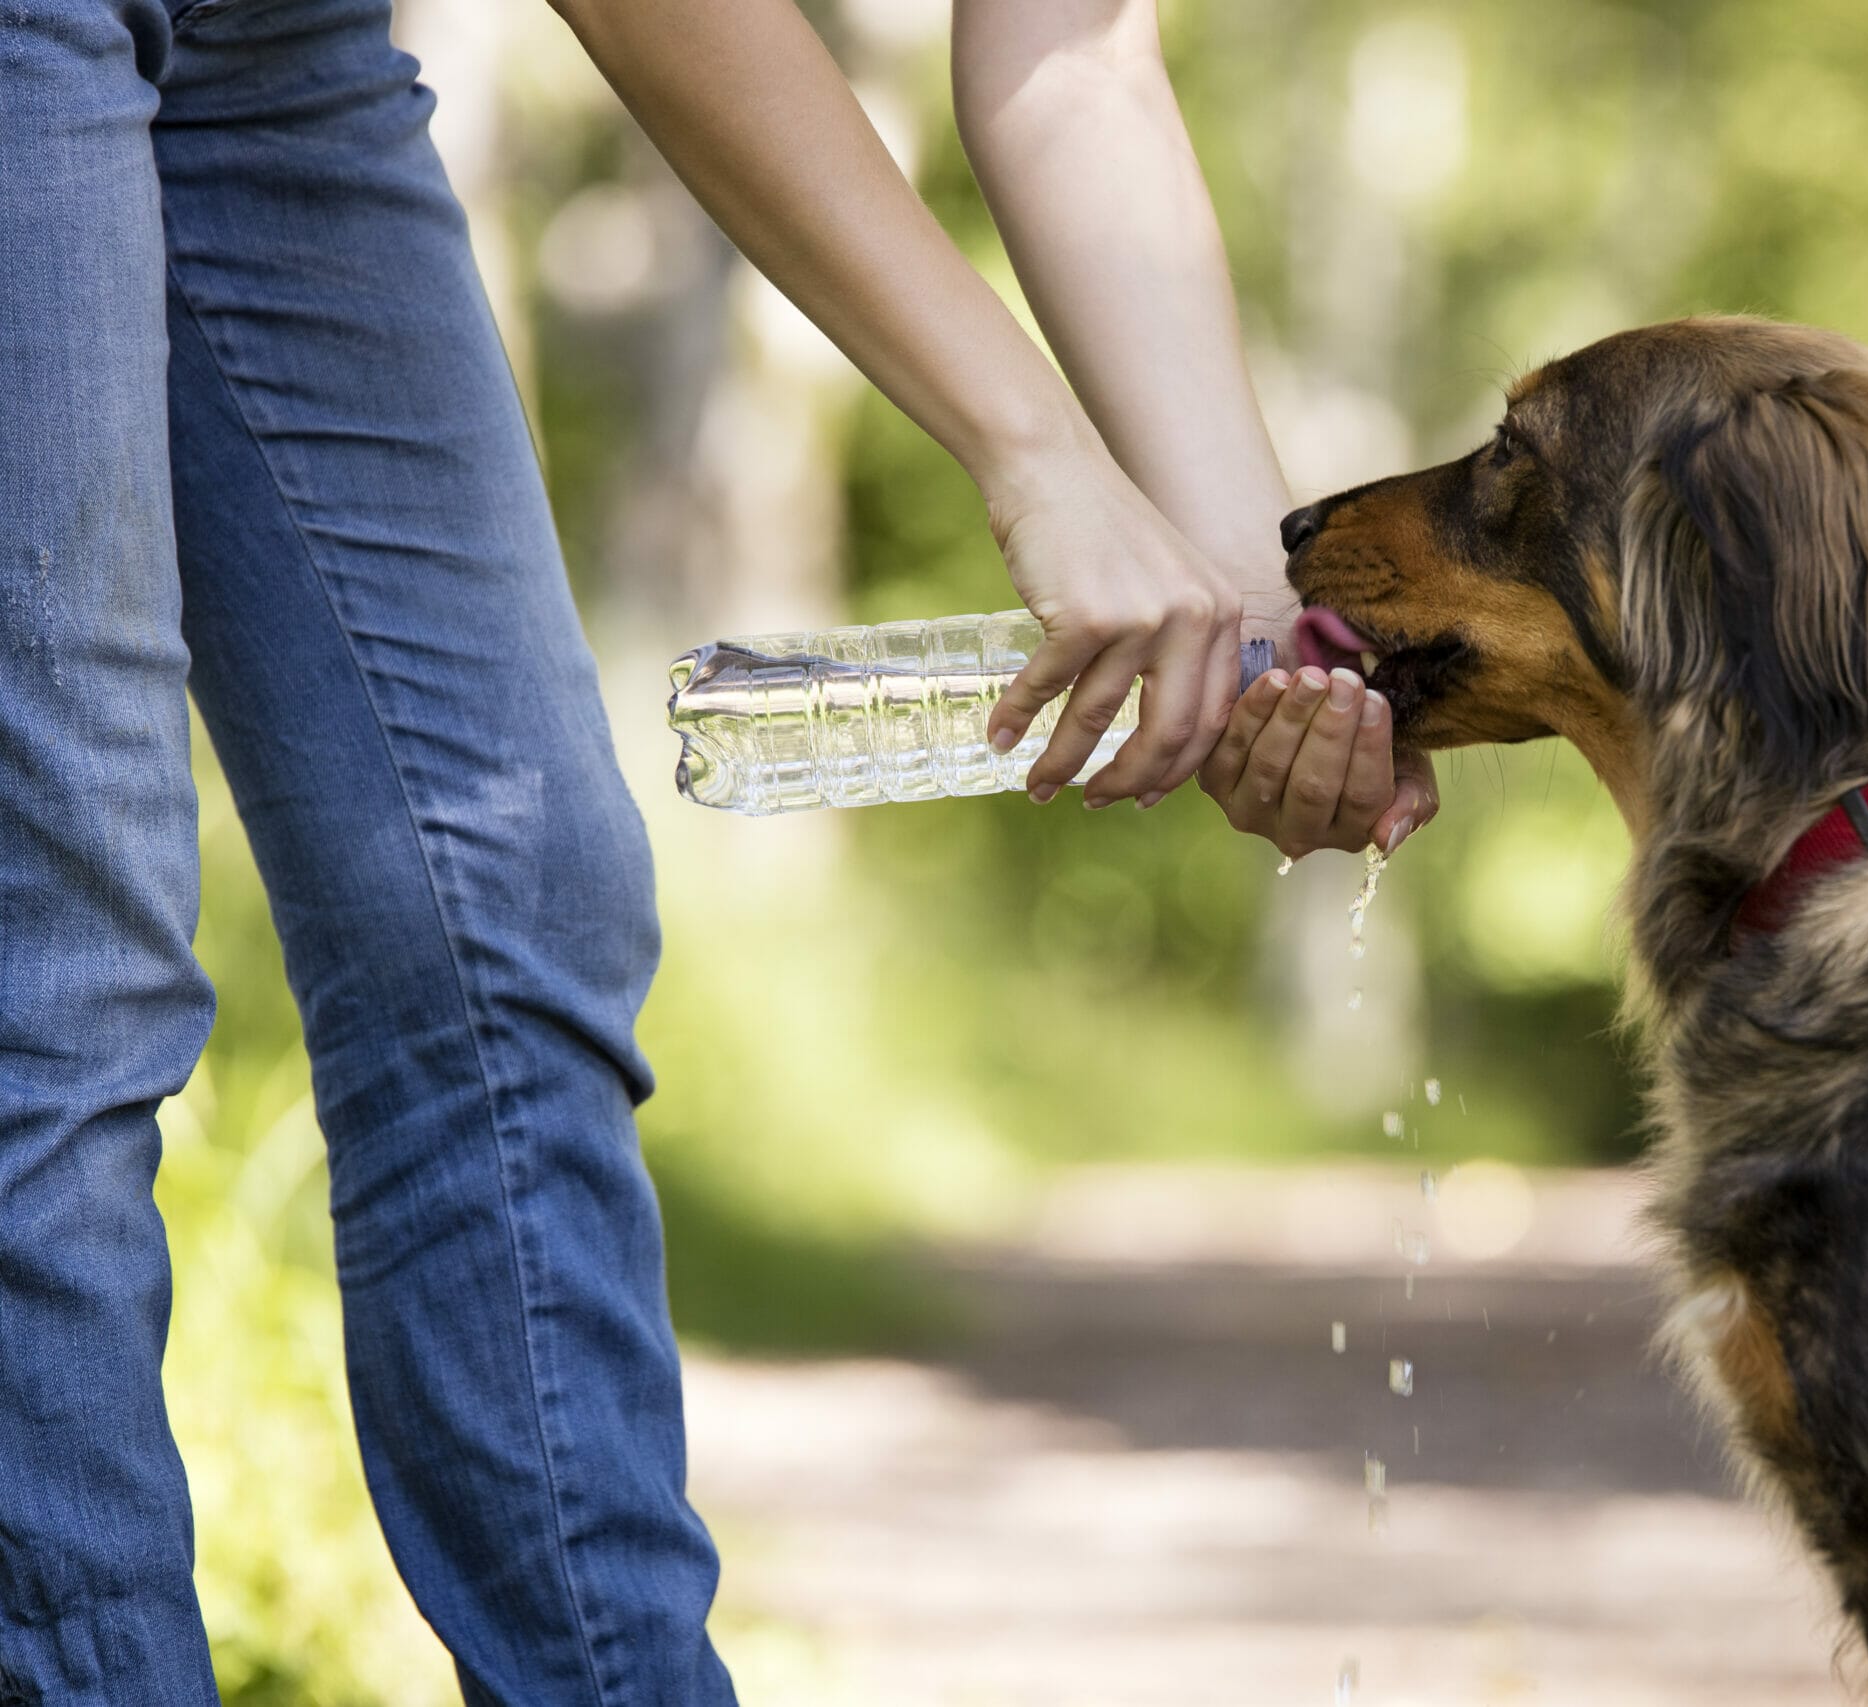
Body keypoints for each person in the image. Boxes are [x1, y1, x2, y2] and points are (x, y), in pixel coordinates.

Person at [0, 0, 1431, 1698]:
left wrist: (1264, 624)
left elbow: (1076, 57)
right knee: (63, 971)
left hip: (283, 45)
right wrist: (1035, 448)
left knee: (508, 901)